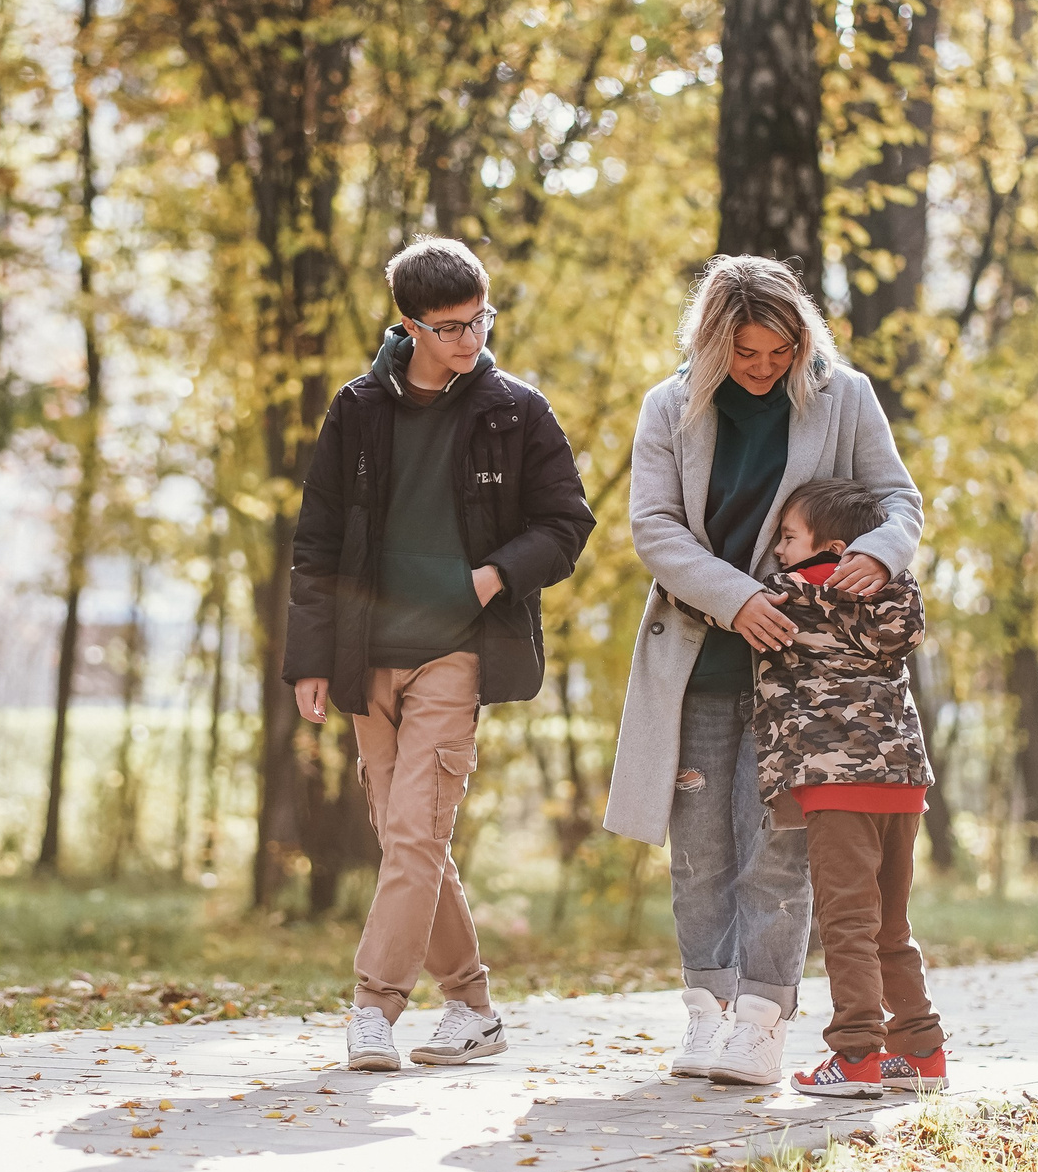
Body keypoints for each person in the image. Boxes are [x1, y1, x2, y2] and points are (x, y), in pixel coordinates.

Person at [604, 255, 923, 1088]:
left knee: (780, 847)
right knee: (700, 850)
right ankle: (706, 1011)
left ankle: (762, 1018)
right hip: (700, 657)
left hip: (810, 678)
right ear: (713, 343)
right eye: (746, 352)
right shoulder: (669, 407)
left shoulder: (842, 394)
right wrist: (737, 598)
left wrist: (879, 554)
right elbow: (656, 528)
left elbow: (899, 499)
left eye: (779, 350)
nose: (763, 367)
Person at [285, 237, 595, 1074]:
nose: (472, 339)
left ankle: (373, 1007)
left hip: (456, 649)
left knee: (415, 832)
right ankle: (471, 1005)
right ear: (409, 326)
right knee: (407, 839)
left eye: (480, 319)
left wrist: (495, 575)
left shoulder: (515, 410)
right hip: (363, 655)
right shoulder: (356, 409)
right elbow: (315, 541)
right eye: (453, 326)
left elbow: (569, 525)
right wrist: (309, 658)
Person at [751, 478, 947, 1097]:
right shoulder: (901, 592)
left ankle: (857, 1056)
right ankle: (921, 1051)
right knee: (891, 924)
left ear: (831, 549)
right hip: (902, 780)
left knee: (846, 923)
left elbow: (705, 600)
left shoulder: (793, 595)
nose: (779, 550)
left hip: (835, 781)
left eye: (788, 537)